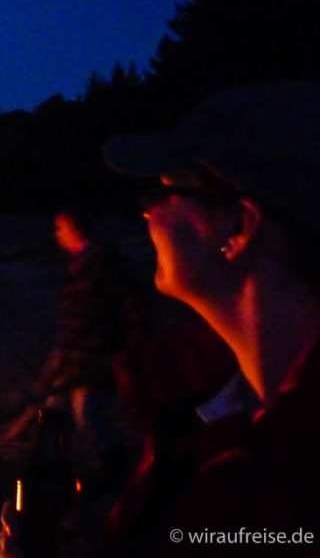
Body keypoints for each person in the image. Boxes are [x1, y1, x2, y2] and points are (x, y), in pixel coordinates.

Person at [99, 81, 320, 556]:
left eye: (161, 193)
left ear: (238, 228)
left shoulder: (295, 491)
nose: (146, 215)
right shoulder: (199, 408)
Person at [37, 208, 151, 484]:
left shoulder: (104, 265)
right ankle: (58, 471)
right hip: (72, 357)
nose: (57, 236)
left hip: (95, 357)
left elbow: (132, 310)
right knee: (54, 410)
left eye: (60, 229)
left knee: (90, 415)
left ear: (75, 229)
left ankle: (118, 472)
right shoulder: (80, 265)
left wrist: (129, 351)